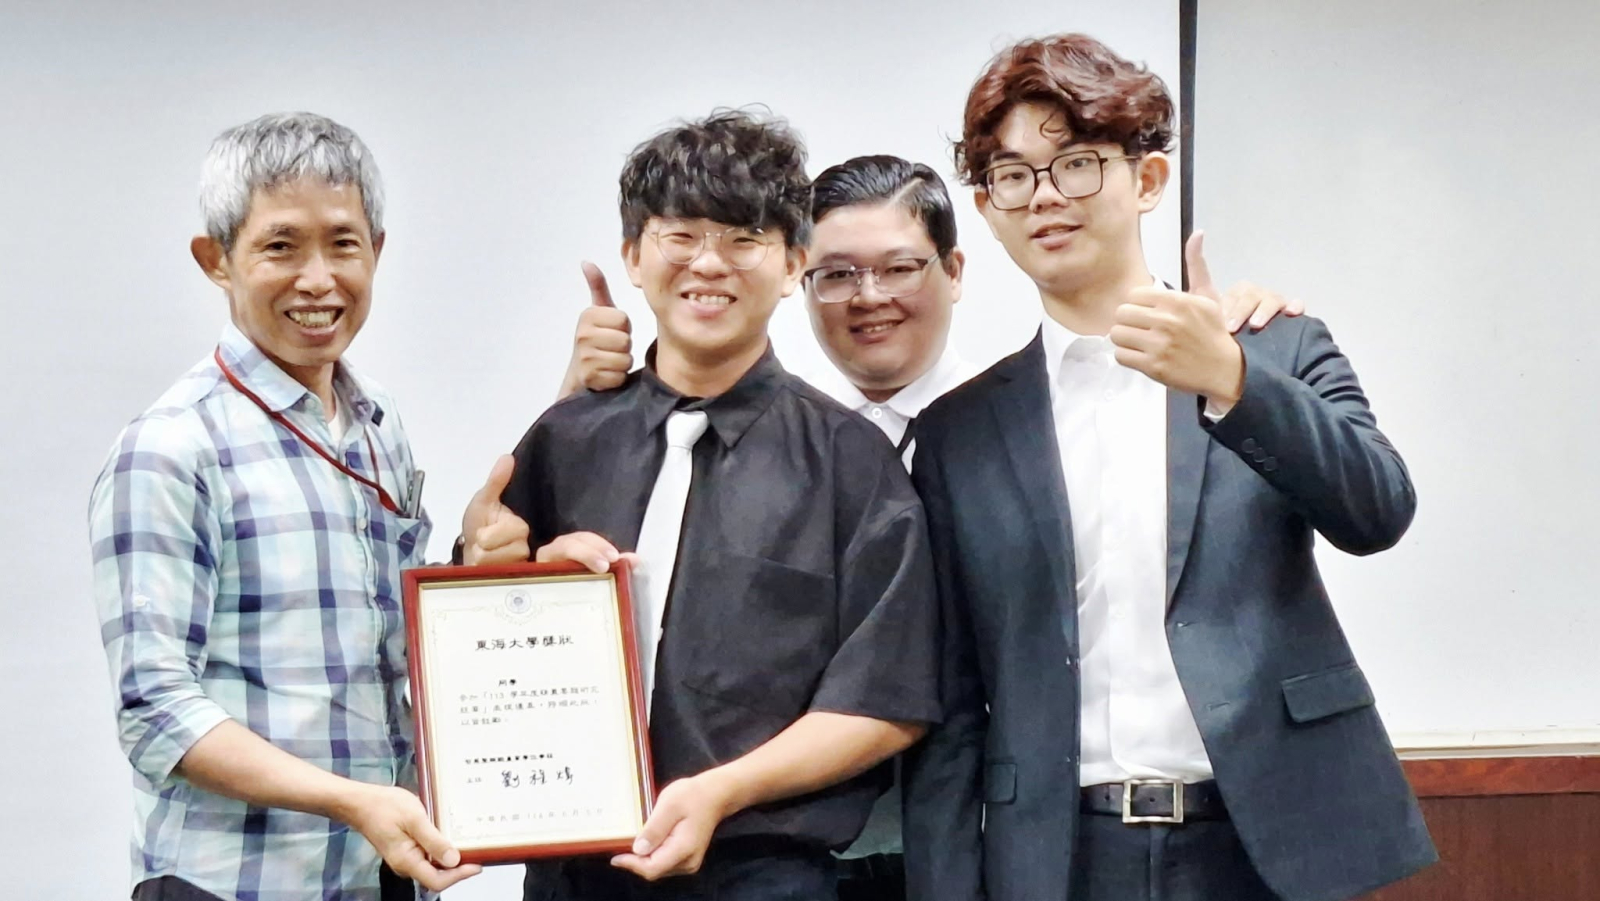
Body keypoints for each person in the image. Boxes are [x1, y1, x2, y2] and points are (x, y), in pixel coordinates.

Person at [556, 152, 1302, 901]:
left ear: (954, 270)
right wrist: (581, 403)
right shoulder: (764, 443)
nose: (868, 297)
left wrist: (1238, 355)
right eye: (838, 274)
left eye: (899, 268)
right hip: (774, 857)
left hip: (979, 850)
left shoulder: (1024, 428)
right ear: (801, 277)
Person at [900, 34, 1436, 901]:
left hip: (1267, 841)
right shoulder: (958, 433)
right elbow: (953, 704)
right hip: (1061, 855)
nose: (1045, 196)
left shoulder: (1275, 349)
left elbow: (1379, 512)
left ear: (1147, 180)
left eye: (1077, 163)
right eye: (1012, 175)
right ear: (989, 209)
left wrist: (1234, 380)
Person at [492, 110, 941, 901]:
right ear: (634, 255)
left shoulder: (851, 461)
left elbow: (889, 700)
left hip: (764, 874)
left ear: (793, 263)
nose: (709, 262)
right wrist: (519, 582)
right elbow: (474, 644)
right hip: (568, 876)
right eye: (681, 235)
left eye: (743, 239)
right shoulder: (565, 437)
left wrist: (723, 790)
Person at [88, 112, 481, 901]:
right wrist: (353, 801)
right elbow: (155, 710)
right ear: (216, 259)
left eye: (343, 243)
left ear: (377, 250)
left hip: (381, 878)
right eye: (280, 246)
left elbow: (392, 636)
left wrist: (476, 560)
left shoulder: (378, 427)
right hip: (233, 886)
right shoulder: (173, 445)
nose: (318, 279)